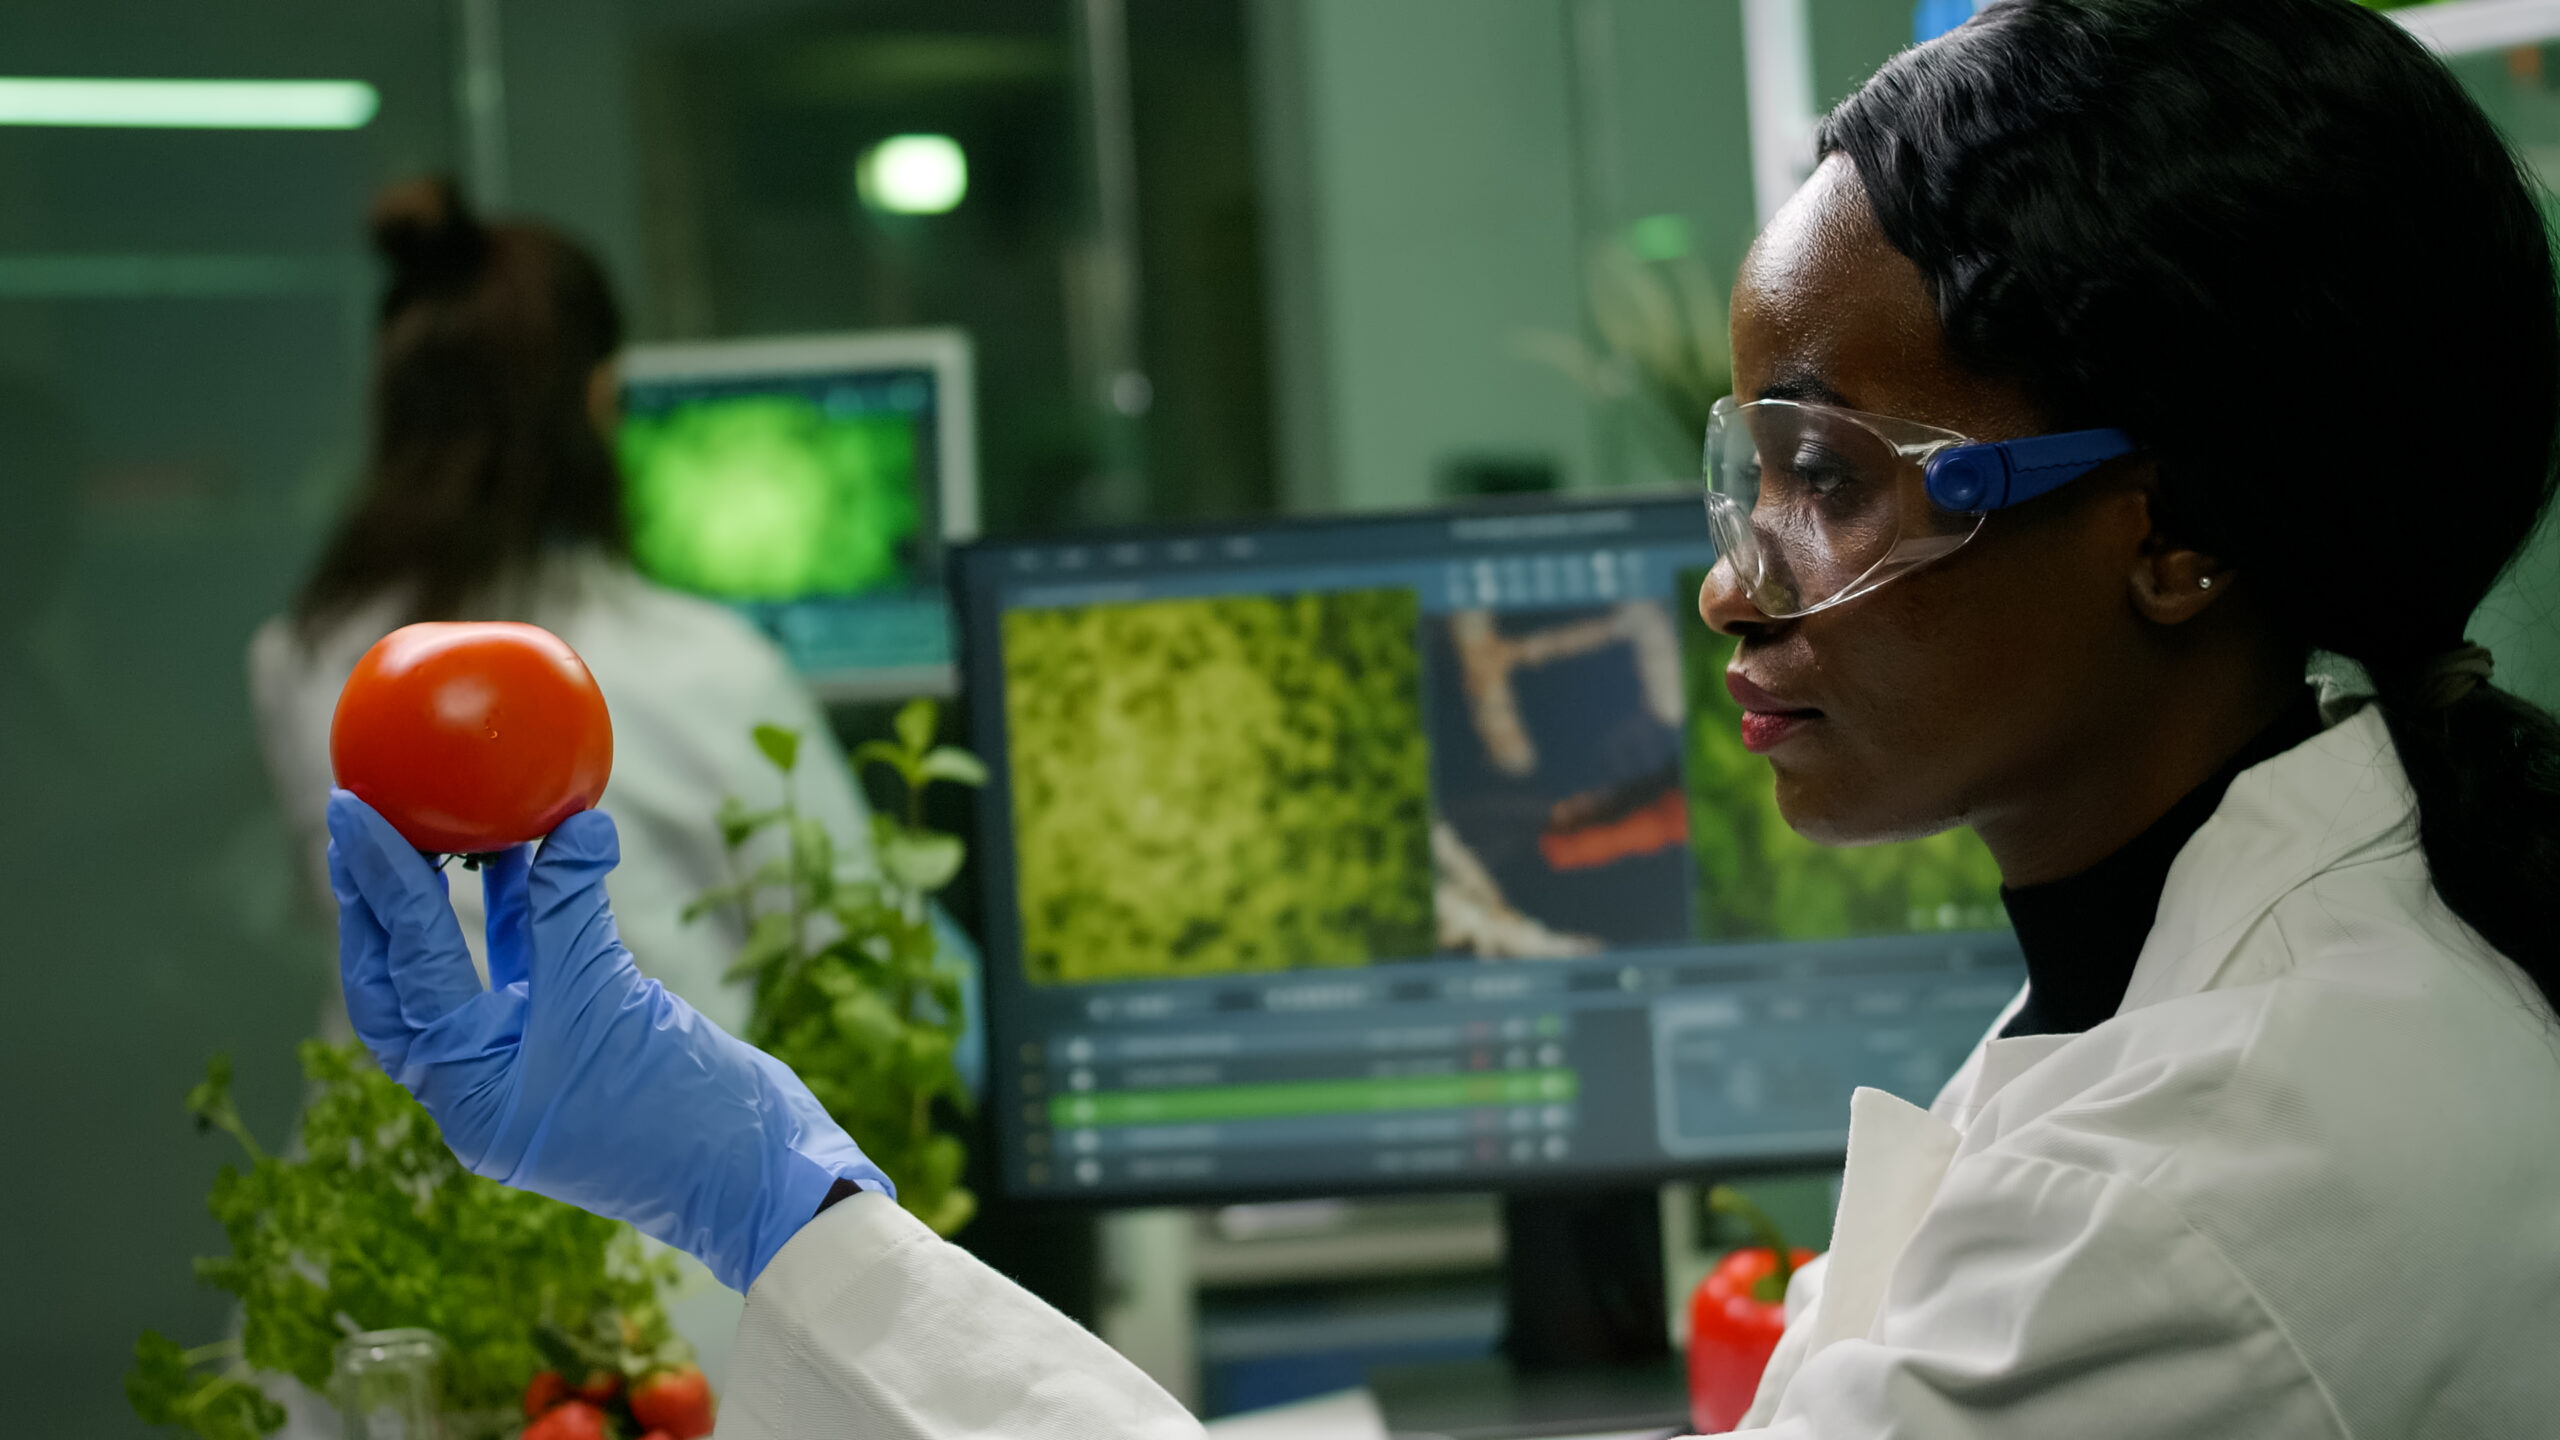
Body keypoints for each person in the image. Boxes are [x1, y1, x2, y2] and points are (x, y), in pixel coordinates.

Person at [323, 2, 2560, 1435]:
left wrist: (770, 1194)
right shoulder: (2233, 989)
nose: (1727, 582)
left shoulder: (2187, 1213)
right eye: (1741, 470)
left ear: (2170, 536)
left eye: (1829, 480)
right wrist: (775, 1195)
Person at [249, 177, 877, 1042]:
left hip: (379, 1169)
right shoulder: (701, 666)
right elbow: (856, 959)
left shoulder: (301, 661)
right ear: (595, 401)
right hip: (635, 1169)